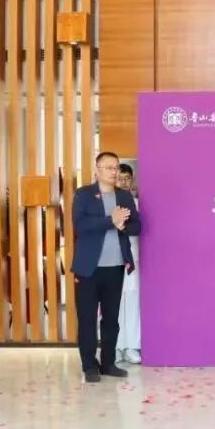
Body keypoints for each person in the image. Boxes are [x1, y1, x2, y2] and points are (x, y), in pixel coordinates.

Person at [72, 152, 141, 383]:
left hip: (116, 266)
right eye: (109, 167)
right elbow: (80, 225)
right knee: (87, 318)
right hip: (88, 268)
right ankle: (89, 365)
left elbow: (137, 226)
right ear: (97, 169)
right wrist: (110, 220)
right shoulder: (84, 194)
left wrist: (123, 226)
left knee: (111, 318)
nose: (114, 172)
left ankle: (108, 363)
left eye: (116, 167)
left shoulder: (124, 196)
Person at [115, 163, 142, 365]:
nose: (124, 182)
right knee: (113, 303)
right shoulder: (108, 202)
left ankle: (132, 346)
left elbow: (138, 228)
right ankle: (115, 346)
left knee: (132, 301)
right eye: (120, 178)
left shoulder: (138, 203)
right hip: (111, 259)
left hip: (133, 258)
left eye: (127, 178)